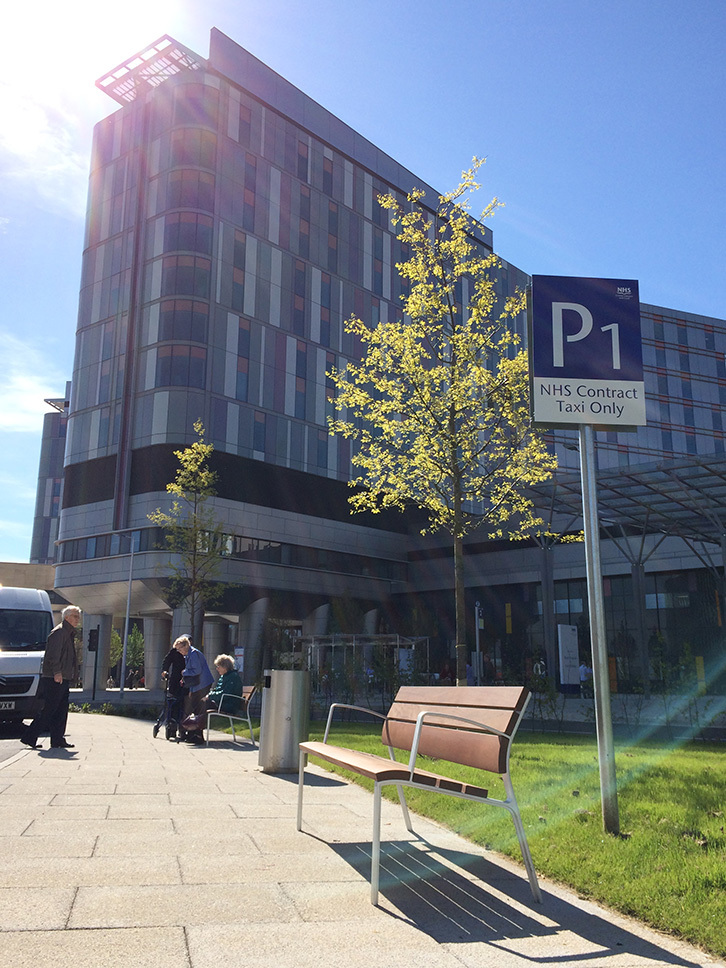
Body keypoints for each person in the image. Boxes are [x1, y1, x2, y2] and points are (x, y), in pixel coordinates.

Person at [21, 605, 81, 750]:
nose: (77, 619)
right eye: (75, 616)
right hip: (55, 677)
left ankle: (57, 740)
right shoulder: (59, 632)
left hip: (63, 676)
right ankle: (30, 737)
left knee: (61, 709)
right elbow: (52, 656)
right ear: (67, 617)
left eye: (78, 616)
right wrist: (57, 672)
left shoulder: (68, 632)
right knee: (50, 709)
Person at [175, 635, 213, 743]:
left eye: (179, 648)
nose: (179, 651)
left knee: (194, 708)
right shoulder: (188, 655)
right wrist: (191, 690)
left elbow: (196, 671)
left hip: (203, 684)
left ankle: (195, 735)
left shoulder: (194, 654)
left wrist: (184, 672)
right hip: (198, 685)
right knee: (195, 708)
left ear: (185, 645)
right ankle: (194, 734)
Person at [153, 638, 186, 739]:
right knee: (171, 703)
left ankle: (180, 728)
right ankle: (170, 726)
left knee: (182, 704)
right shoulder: (174, 652)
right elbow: (167, 661)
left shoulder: (190, 653)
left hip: (186, 680)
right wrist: (164, 671)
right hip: (175, 679)